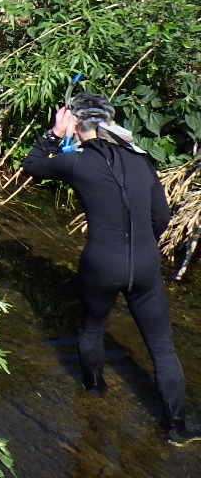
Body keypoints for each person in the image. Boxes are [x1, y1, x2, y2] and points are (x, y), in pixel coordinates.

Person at [24, 91, 201, 445]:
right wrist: (141, 248)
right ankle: (177, 428)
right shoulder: (142, 160)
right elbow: (161, 217)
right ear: (110, 122)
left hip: (102, 262)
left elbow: (32, 165)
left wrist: (56, 134)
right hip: (145, 263)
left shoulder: (75, 162)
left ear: (76, 123)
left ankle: (94, 391)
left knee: (92, 328)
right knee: (163, 347)